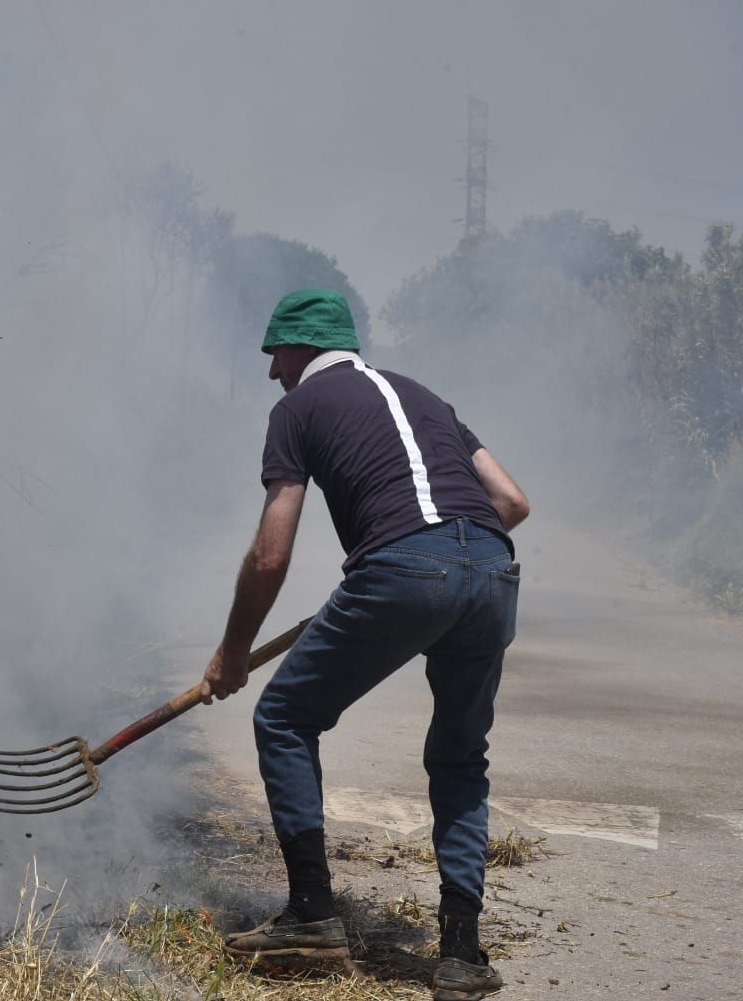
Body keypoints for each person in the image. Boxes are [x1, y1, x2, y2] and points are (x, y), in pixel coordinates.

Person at [199, 288, 529, 999]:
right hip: (496, 570)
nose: (271, 373)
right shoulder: (424, 396)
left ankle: (313, 918)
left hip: (408, 571)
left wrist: (232, 653)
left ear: (299, 349)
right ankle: (463, 958)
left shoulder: (296, 410)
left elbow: (270, 555)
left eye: (275, 355)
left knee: (284, 717)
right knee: (461, 757)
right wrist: (441, 560)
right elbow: (511, 503)